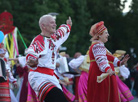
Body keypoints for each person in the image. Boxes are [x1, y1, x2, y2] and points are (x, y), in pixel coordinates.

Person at [26, 14, 72, 102]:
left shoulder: (55, 38)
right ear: (43, 26)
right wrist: (32, 60)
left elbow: (62, 31)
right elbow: (31, 52)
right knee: (57, 97)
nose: (55, 24)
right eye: (52, 23)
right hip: (39, 76)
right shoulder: (39, 40)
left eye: (55, 23)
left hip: (51, 77)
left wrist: (68, 25)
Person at [87, 21, 130, 102]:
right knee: (102, 97)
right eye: (106, 33)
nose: (108, 35)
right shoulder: (98, 45)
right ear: (99, 35)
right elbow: (101, 60)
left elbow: (109, 58)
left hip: (102, 74)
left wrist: (120, 63)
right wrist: (108, 69)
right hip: (102, 74)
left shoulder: (100, 45)